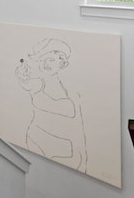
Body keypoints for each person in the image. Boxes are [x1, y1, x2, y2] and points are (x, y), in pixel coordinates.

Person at [15, 38, 88, 172]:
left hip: (60, 146)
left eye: (51, 59)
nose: (46, 63)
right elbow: (26, 84)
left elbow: (69, 110)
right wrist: (22, 76)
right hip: (35, 138)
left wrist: (41, 99)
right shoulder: (38, 82)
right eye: (43, 60)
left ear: (62, 63)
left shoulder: (70, 90)